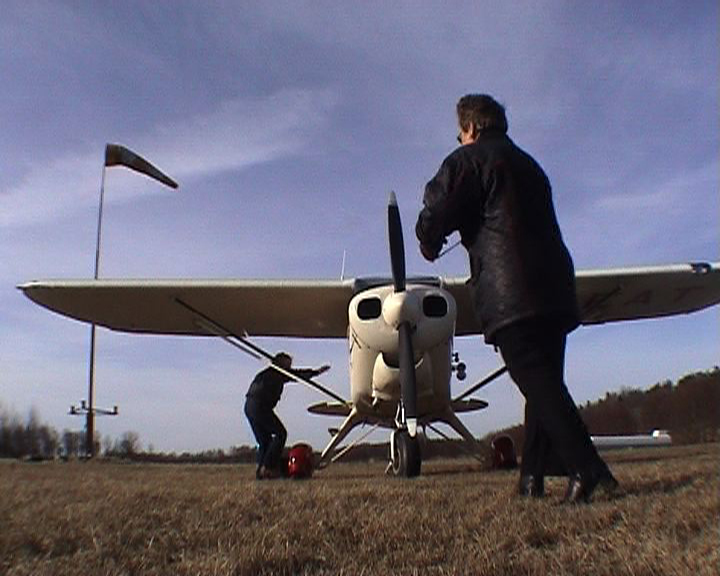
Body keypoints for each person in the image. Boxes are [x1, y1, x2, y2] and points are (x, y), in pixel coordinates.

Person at [416, 94, 617, 503]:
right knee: (544, 385)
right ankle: (531, 480)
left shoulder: (467, 160)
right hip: (557, 287)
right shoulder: (531, 166)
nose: (460, 139)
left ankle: (589, 468)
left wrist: (428, 240)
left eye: (460, 133)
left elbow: (436, 213)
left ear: (470, 128)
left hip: (513, 292)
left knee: (539, 385)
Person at [244, 352, 330, 479]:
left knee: (264, 441)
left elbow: (294, 374)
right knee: (281, 433)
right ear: (280, 363)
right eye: (288, 364)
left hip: (249, 407)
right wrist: (315, 372)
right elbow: (296, 375)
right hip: (259, 406)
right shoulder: (276, 373)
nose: (290, 367)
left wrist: (314, 372)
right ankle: (268, 468)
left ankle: (261, 472)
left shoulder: (271, 374)